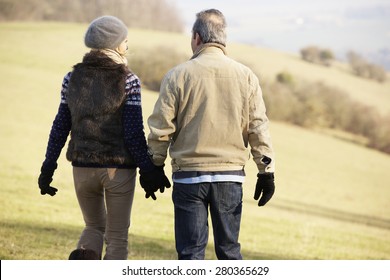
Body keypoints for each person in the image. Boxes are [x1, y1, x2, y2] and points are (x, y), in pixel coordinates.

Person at [37, 15, 170, 260]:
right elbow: (132, 132)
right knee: (117, 237)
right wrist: (148, 170)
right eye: (125, 40)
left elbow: (60, 126)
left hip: (82, 167)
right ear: (115, 45)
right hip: (117, 170)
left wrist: (48, 166)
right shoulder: (128, 80)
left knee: (93, 227)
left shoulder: (71, 78)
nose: (127, 45)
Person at [147, 9, 275, 260]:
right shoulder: (246, 76)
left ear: (196, 37)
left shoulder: (177, 75)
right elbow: (258, 127)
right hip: (230, 177)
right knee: (229, 252)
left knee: (191, 254)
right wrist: (266, 172)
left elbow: (161, 128)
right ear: (223, 39)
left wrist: (153, 166)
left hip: (189, 177)